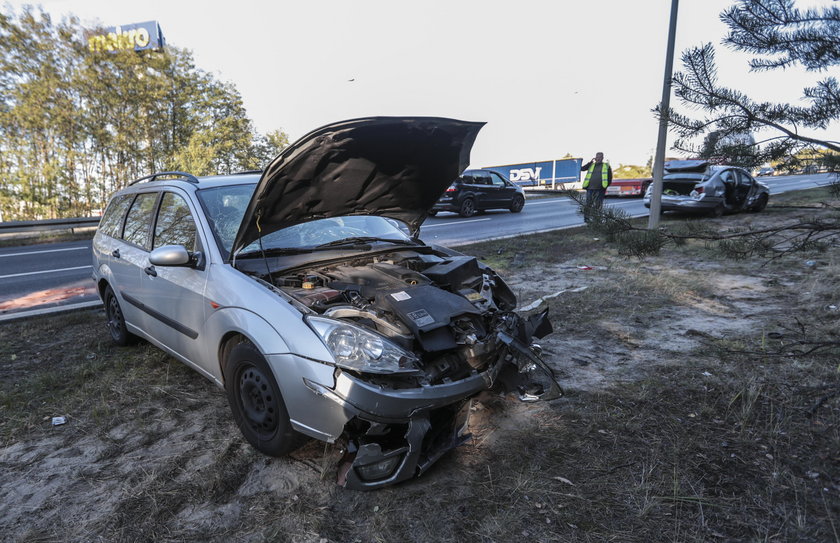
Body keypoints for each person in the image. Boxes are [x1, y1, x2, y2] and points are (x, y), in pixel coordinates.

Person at [580, 152, 612, 222]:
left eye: (600, 157)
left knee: (598, 205)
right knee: (588, 204)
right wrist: (590, 162)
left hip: (600, 189)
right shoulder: (591, 165)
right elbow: (582, 169)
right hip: (590, 188)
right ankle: (587, 219)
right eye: (597, 157)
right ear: (595, 157)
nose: (598, 158)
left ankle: (597, 219)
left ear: (602, 158)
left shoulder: (606, 166)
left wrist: (606, 186)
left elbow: (610, 177)